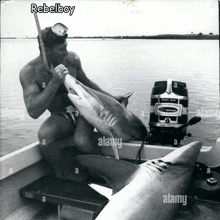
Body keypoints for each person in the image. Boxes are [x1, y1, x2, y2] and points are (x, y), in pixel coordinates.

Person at [20, 23, 130, 179]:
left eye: (66, 47)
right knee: (45, 137)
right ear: (46, 51)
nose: (65, 52)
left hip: (84, 110)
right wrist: (54, 83)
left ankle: (107, 175)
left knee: (82, 141)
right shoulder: (29, 72)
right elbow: (33, 111)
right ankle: (62, 176)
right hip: (62, 116)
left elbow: (87, 84)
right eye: (61, 49)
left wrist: (112, 99)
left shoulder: (71, 59)